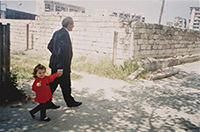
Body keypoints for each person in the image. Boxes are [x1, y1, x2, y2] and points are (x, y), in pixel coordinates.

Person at [47, 16, 82, 107]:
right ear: (69, 24)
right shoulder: (64, 34)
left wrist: (55, 56)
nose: (73, 26)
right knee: (64, 84)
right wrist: (60, 66)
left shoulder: (57, 32)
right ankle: (69, 102)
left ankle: (47, 102)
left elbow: (50, 46)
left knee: (56, 84)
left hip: (56, 64)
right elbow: (61, 51)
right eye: (73, 24)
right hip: (61, 66)